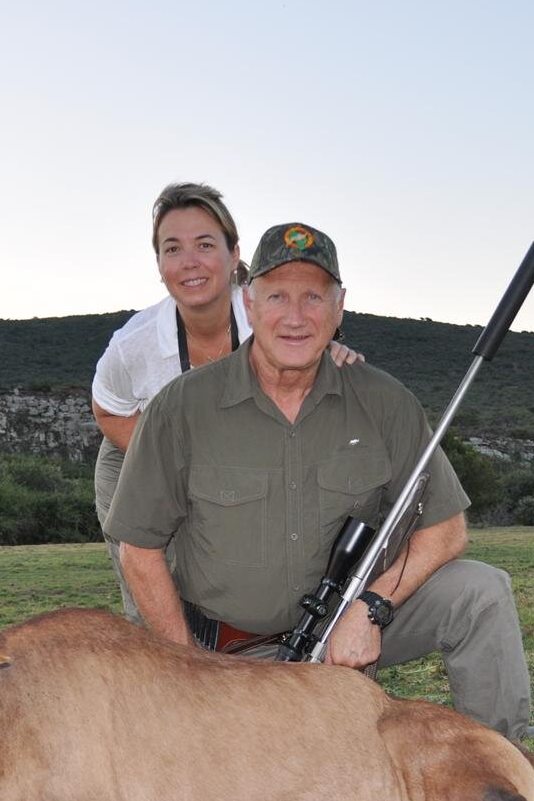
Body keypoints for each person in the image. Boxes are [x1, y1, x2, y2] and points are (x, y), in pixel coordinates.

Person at [103, 221, 533, 742]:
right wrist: (191, 671)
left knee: (481, 591)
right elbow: (138, 550)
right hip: (230, 654)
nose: (295, 317)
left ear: (339, 306)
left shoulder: (384, 402)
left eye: (314, 297)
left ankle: (506, 774)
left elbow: (447, 531)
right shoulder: (180, 408)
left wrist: (371, 607)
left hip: (349, 627)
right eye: (277, 296)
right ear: (249, 302)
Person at [91, 183, 357, 620]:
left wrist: (334, 353)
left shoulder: (264, 312)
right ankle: (162, 670)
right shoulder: (132, 344)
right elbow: (108, 410)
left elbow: (311, 334)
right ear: (159, 264)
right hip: (137, 454)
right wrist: (177, 464)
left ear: (234, 255)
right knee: (152, 597)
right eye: (172, 248)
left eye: (205, 244)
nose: (190, 261)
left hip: (241, 454)